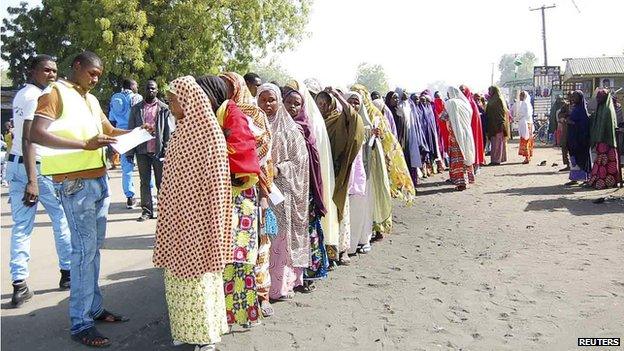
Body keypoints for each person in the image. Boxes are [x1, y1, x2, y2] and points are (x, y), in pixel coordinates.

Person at [30, 51, 149, 347]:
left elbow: (108, 132)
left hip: (97, 180)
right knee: (83, 253)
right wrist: (84, 144)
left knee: (93, 250)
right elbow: (36, 133)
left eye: (99, 75)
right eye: (91, 73)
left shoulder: (91, 99)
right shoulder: (55, 93)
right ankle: (80, 323)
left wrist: (135, 132)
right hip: (74, 183)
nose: (95, 79)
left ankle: (93, 309)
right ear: (77, 66)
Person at [153, 76, 231, 351]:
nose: (171, 104)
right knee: (177, 277)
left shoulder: (209, 135)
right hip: (177, 218)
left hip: (199, 221)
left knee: (198, 278)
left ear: (188, 101)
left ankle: (205, 335)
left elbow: (217, 185)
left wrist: (208, 222)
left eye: (173, 100)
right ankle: (185, 330)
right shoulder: (182, 131)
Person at [7, 54, 72, 308]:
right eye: (46, 70)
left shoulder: (22, 95)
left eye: (54, 71)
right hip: (35, 168)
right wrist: (32, 180)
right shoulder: (37, 97)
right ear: (33, 71)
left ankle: (19, 284)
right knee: (61, 218)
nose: (52, 75)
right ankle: (67, 273)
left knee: (21, 226)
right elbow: (28, 139)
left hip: (17, 166)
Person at [197, 74, 262, 328]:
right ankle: (222, 314)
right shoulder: (215, 114)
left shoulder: (231, 113)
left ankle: (243, 314)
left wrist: (214, 151)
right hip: (222, 195)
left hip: (238, 196)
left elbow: (242, 150)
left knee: (238, 257)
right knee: (222, 258)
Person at [217, 72, 275, 321]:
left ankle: (261, 296)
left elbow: (263, 157)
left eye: (228, 87)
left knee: (256, 247)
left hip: (250, 190)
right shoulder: (215, 111)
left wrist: (263, 193)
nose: (225, 92)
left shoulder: (255, 115)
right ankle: (226, 304)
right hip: (223, 191)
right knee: (226, 251)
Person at [315, 88, 364, 264]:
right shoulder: (314, 121)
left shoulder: (339, 120)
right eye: (319, 103)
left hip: (336, 173)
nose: (322, 107)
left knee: (339, 210)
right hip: (318, 174)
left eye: (326, 103)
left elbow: (354, 120)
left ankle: (342, 249)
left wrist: (338, 96)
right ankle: (325, 249)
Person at [126, 80, 172, 221]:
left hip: (158, 151)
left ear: (157, 90)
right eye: (148, 88)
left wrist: (166, 150)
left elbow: (168, 132)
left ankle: (164, 212)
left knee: (161, 183)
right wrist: (129, 152)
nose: (150, 90)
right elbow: (131, 130)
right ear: (143, 90)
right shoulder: (136, 109)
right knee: (144, 182)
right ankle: (147, 211)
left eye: (153, 88)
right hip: (142, 151)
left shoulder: (164, 108)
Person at [109, 78, 142, 208]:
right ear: (132, 85)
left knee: (126, 168)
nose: (137, 87)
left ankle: (129, 197)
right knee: (144, 165)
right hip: (136, 133)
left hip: (121, 134)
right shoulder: (136, 97)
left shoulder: (115, 99)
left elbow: (111, 119)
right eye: (136, 85)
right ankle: (148, 194)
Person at [587, 89, 621, 189]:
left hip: (607, 141)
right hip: (601, 141)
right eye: (597, 97)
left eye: (599, 97)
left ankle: (605, 182)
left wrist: (599, 138)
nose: (597, 99)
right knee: (601, 163)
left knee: (606, 164)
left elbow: (605, 127)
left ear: (605, 98)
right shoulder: (600, 108)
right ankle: (599, 180)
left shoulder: (607, 110)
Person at [444, 87, 476, 191]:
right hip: (467, 132)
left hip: (456, 134)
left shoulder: (450, 103)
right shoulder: (465, 103)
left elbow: (443, 117)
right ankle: (469, 178)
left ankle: (461, 182)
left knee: (458, 157)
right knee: (466, 153)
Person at [566, 90, 591, 185]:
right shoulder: (575, 108)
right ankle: (574, 178)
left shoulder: (583, 110)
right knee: (573, 158)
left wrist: (571, 122)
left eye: (575, 97)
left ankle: (585, 178)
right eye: (573, 97)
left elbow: (583, 125)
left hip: (580, 139)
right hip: (573, 138)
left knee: (582, 158)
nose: (573, 98)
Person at [460, 85, 485, 171]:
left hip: (473, 129)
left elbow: (475, 119)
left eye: (463, 90)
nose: (461, 92)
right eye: (460, 90)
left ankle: (475, 165)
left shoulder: (471, 103)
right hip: (463, 129)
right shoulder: (460, 102)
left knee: (474, 144)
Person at [485, 86, 510, 165]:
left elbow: (501, 113)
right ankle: (497, 159)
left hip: (498, 124)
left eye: (490, 90)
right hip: (493, 124)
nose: (489, 92)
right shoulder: (493, 100)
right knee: (495, 143)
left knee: (497, 143)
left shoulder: (498, 100)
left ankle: (496, 160)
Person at [517, 90, 534, 164]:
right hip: (529, 123)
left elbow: (522, 114)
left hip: (525, 124)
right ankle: (528, 156)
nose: (520, 97)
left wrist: (517, 117)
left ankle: (527, 157)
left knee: (525, 140)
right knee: (528, 140)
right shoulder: (528, 104)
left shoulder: (524, 104)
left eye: (521, 95)